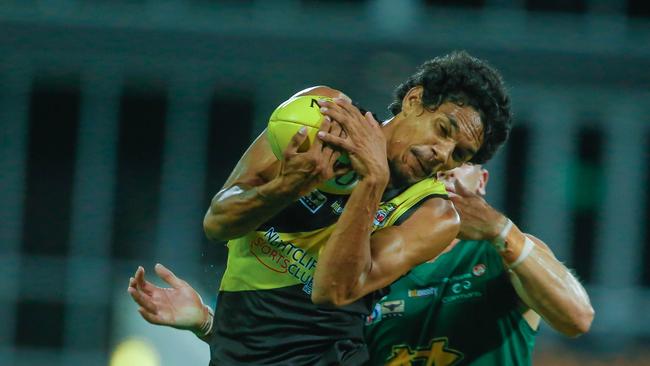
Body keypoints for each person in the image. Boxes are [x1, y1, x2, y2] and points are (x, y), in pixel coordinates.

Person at [130, 51, 512, 364]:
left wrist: (372, 180)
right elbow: (219, 223)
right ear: (414, 101)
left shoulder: (433, 215)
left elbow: (332, 291)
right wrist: (287, 186)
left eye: (460, 154)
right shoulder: (320, 119)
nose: (443, 154)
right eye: (444, 130)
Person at [128, 164, 594, 365]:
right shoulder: (368, 265)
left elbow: (577, 317)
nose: (445, 182)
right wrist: (209, 324)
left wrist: (499, 230)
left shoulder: (504, 253)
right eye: (434, 176)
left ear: (483, 178)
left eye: (460, 168)